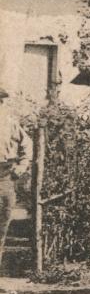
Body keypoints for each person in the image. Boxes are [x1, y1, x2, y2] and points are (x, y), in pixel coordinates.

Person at [0, 89, 32, 247]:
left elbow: (27, 145)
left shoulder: (9, 123)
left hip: (4, 176)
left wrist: (21, 167)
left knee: (2, 222)